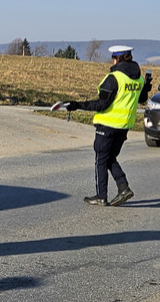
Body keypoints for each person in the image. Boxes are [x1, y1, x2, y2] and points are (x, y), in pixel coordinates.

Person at [59, 45, 152, 207]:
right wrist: (147, 87)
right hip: (124, 126)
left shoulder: (114, 78)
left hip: (107, 125)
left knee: (101, 159)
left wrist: (76, 105)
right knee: (109, 158)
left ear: (116, 59)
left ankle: (101, 195)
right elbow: (142, 98)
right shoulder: (138, 78)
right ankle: (123, 187)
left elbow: (102, 104)